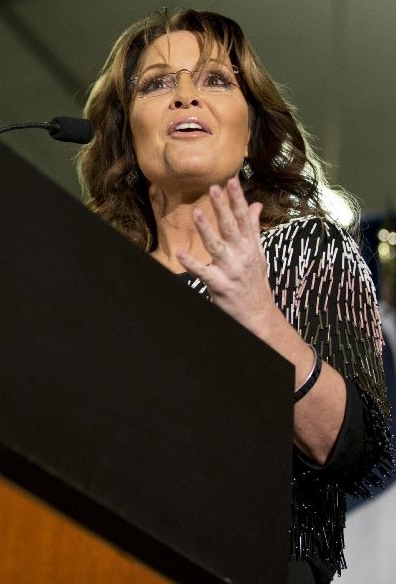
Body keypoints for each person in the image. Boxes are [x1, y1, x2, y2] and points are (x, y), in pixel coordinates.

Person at [77, 9, 392, 583]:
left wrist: (257, 314)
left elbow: (355, 449)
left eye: (216, 80)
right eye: (156, 84)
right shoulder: (94, 291)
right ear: (127, 135)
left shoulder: (305, 248)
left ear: (251, 135)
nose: (185, 97)